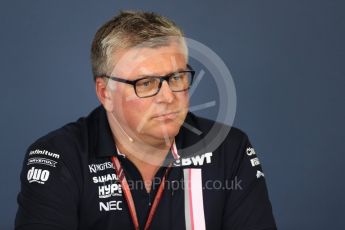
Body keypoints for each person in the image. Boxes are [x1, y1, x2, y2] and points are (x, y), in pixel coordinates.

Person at [15, 11, 277, 230]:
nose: (168, 96)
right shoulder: (58, 157)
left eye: (176, 78)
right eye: (146, 83)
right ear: (105, 93)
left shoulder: (229, 149)